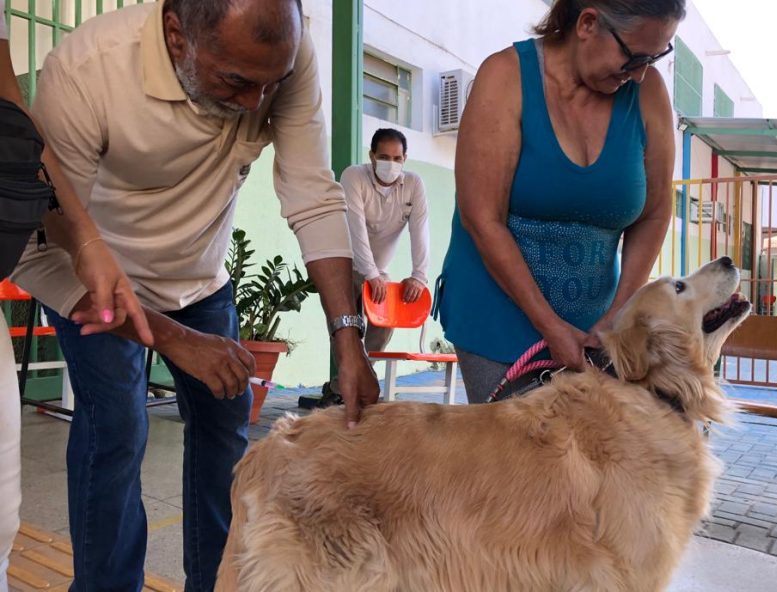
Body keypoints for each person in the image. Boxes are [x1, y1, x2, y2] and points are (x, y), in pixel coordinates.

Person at [11, 0, 380, 589]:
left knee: (225, 434)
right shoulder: (88, 72)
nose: (256, 104)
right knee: (116, 432)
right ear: (177, 36)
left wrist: (347, 337)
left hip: (202, 279)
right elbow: (42, 251)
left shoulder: (279, 56)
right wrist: (175, 339)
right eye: (235, 82)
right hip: (98, 282)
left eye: (271, 85)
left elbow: (312, 194)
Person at [436, 0, 680, 403]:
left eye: (654, 58)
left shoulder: (648, 90)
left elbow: (653, 214)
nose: (639, 74)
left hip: (596, 322)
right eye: (633, 56)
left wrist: (616, 317)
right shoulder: (505, 76)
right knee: (520, 458)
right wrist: (548, 324)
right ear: (588, 23)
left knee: (589, 456)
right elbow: (482, 218)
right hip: (497, 310)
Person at [0, 0, 153, 589]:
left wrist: (86, 239)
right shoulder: (91, 63)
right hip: (65, 273)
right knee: (117, 422)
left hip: (104, 273)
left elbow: (10, 109)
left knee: (1, 518)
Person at [341, 128, 430, 352]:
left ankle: (365, 374)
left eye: (397, 158)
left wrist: (419, 276)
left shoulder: (414, 184)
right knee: (346, 328)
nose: (391, 163)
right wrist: (371, 274)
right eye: (383, 157)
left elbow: (420, 230)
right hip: (344, 262)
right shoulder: (353, 176)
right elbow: (356, 229)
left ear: (405, 159)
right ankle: (348, 383)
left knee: (384, 324)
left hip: (378, 269)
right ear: (371, 156)